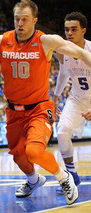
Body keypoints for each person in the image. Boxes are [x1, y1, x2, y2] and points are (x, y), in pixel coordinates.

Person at [0, 0, 91, 205]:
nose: (20, 23)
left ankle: (65, 178)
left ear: (35, 21)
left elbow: (80, 53)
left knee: (33, 151)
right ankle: (34, 180)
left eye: (25, 19)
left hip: (39, 109)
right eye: (17, 19)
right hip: (13, 111)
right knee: (19, 158)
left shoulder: (46, 41)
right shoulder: (2, 41)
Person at [54, 12, 91, 194]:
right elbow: (63, 74)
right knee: (62, 132)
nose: (69, 33)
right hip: (77, 99)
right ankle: (72, 176)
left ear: (83, 31)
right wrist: (56, 96)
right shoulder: (62, 51)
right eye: (67, 29)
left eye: (74, 29)